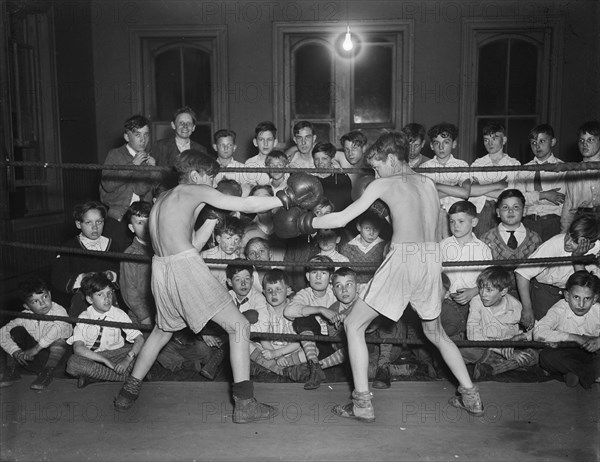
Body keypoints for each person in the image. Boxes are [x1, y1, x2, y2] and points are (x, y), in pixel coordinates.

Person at [275, 131, 484, 421]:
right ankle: (471, 396)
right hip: (431, 259)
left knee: (353, 324)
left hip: (404, 259)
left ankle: (361, 403)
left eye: (378, 165)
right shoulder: (428, 182)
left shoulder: (384, 183)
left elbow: (341, 219)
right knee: (436, 333)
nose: (375, 172)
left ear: (391, 159)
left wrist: (305, 222)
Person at [114, 149, 319, 423]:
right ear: (197, 175)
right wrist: (285, 198)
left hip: (161, 269)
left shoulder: (162, 200)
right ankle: (245, 403)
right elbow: (244, 205)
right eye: (211, 178)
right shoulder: (194, 190)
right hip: (184, 267)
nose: (212, 184)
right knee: (240, 326)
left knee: (162, 332)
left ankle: (128, 392)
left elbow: (193, 244)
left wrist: (211, 219)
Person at [515, 214, 600, 329]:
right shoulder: (555, 243)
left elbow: (586, 283)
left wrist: (577, 258)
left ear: (591, 245)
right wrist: (527, 308)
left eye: (575, 241)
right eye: (568, 234)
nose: (568, 242)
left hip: (577, 294)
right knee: (540, 329)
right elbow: (522, 273)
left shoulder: (597, 251)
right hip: (545, 290)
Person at [66, 272, 144, 388]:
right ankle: (129, 378)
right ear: (90, 299)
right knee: (73, 363)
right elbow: (78, 348)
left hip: (118, 353)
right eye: (100, 294)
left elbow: (139, 339)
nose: (107, 298)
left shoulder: (118, 314)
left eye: (109, 293)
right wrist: (106, 362)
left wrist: (127, 359)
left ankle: (96, 377)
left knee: (143, 352)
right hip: (95, 357)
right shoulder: (84, 317)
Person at [462, 267, 537, 380]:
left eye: (489, 290)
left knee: (534, 354)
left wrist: (517, 338)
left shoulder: (516, 306)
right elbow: (473, 336)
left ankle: (491, 369)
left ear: (503, 291)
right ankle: (500, 366)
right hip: (484, 347)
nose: (483, 294)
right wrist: (499, 350)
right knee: (464, 350)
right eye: (481, 288)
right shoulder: (476, 302)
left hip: (508, 348)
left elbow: (537, 330)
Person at [51, 201, 123, 317]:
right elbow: (57, 279)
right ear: (79, 224)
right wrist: (82, 278)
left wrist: (112, 275)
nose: (95, 227)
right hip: (82, 303)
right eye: (88, 222)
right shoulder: (68, 247)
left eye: (99, 222)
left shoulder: (113, 245)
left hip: (110, 301)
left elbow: (124, 272)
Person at [99, 115, 161, 250]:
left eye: (146, 135)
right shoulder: (115, 154)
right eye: (137, 135)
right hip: (119, 217)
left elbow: (152, 189)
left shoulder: (148, 158)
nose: (143, 139)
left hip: (143, 218)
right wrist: (132, 165)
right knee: (119, 257)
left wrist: (154, 169)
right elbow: (107, 185)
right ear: (127, 137)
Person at [0, 277, 72, 390]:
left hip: (59, 359)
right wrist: (15, 351)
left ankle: (47, 374)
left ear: (50, 294)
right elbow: (2, 332)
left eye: (45, 297)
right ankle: (13, 370)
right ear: (27, 306)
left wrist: (36, 349)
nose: (43, 303)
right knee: (16, 331)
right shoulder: (25, 315)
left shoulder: (59, 311)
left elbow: (58, 329)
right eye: (35, 301)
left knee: (59, 341)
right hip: (36, 358)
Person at [534, 271, 600, 389]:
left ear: (595, 299)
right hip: (568, 352)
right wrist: (575, 338)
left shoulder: (598, 310)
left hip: (593, 352)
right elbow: (538, 332)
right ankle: (590, 375)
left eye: (587, 299)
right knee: (546, 357)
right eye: (576, 297)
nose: (581, 304)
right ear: (567, 296)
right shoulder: (559, 309)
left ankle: (571, 374)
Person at [284, 255, 339, 390]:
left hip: (335, 344)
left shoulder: (336, 291)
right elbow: (288, 311)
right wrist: (320, 309)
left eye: (323, 273)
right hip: (314, 346)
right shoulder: (305, 294)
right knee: (302, 318)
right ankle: (314, 364)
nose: (318, 277)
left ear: (331, 277)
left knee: (352, 340)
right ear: (308, 276)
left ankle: (316, 369)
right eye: (314, 273)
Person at [481, 189, 543, 297]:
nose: (510, 211)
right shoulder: (487, 239)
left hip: (528, 295)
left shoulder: (535, 239)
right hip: (495, 296)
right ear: (498, 212)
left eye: (516, 207)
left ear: (524, 211)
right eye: (505, 207)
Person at [249, 269, 306, 377]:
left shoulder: (294, 309)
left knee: (311, 352)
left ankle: (269, 367)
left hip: (288, 351)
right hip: (268, 350)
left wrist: (278, 354)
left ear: (288, 291)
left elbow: (297, 342)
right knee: (246, 344)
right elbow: (263, 337)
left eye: (278, 289)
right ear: (264, 293)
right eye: (269, 290)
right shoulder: (263, 309)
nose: (273, 294)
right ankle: (281, 370)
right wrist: (274, 355)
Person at [420, 123, 471, 240]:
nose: (441, 147)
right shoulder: (424, 168)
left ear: (454, 144)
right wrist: (454, 188)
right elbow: (426, 198)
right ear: (432, 146)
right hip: (433, 216)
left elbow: (465, 193)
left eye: (446, 142)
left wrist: (436, 185)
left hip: (457, 217)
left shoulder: (462, 165)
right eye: (437, 143)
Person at [469, 122, 519, 237]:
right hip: (481, 211)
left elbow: (509, 194)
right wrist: (498, 185)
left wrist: (482, 189)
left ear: (504, 140)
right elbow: (471, 191)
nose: (490, 143)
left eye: (494, 138)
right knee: (481, 246)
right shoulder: (478, 164)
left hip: (504, 210)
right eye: (486, 140)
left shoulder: (514, 164)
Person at [518, 124, 566, 241]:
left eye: (542, 141)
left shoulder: (563, 168)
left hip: (552, 222)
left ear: (553, 142)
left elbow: (559, 199)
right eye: (533, 143)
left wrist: (531, 197)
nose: (537, 146)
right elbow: (519, 199)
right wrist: (544, 195)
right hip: (528, 223)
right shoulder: (524, 169)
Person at [441, 200, 493, 308]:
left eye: (461, 221)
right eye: (452, 221)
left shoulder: (483, 249)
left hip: (475, 300)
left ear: (474, 222)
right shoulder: (442, 246)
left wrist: (474, 291)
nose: (455, 226)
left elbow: (488, 279)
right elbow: (436, 274)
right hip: (446, 301)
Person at [152, 106, 208, 192]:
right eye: (181, 123)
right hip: (166, 195)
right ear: (173, 125)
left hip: (192, 196)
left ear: (193, 127)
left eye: (189, 123)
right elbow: (152, 176)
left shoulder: (201, 150)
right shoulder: (160, 146)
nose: (185, 126)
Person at [119, 201, 155, 328]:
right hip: (141, 316)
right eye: (140, 223)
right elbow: (129, 291)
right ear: (131, 228)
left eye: (148, 221)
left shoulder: (161, 248)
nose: (145, 227)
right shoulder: (130, 255)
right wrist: (144, 316)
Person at [560, 120, 600, 232]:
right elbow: (568, 207)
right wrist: (564, 233)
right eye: (581, 140)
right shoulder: (573, 172)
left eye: (590, 140)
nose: (585, 144)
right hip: (582, 223)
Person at [339, 211, 389, 294]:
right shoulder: (346, 248)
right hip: (354, 292)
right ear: (359, 227)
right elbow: (344, 276)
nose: (371, 233)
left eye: (375, 229)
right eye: (367, 228)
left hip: (378, 291)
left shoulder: (386, 247)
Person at [200, 216, 245, 287]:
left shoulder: (238, 261)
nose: (232, 243)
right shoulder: (204, 256)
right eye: (228, 238)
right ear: (218, 239)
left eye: (236, 239)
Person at [312, 141, 353, 213]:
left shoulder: (342, 178)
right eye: (316, 159)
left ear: (332, 159)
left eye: (324, 158)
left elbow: (349, 205)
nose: (320, 162)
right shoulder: (311, 180)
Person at [211, 129, 251, 196]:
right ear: (215, 147)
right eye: (221, 145)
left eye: (229, 145)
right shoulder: (209, 168)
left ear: (234, 147)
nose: (226, 148)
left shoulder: (243, 168)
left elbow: (247, 191)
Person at [245, 121, 278, 188]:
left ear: (275, 142)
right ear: (255, 142)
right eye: (261, 139)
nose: (265, 143)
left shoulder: (282, 163)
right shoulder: (250, 163)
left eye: (269, 139)